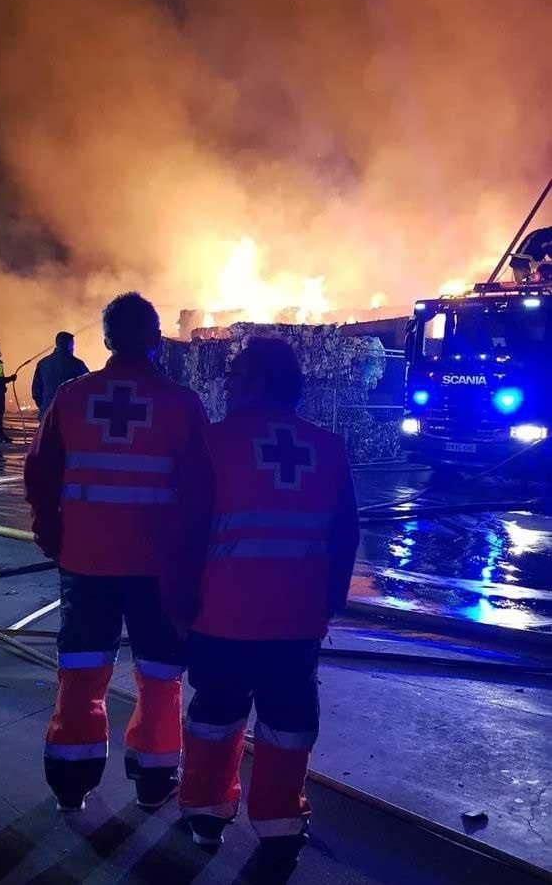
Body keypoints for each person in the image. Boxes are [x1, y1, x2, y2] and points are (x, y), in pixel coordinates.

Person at [24, 292, 212, 812]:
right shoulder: (182, 405)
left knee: (81, 670)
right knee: (159, 674)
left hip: (86, 564)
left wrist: (55, 540)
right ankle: (153, 782)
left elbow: (39, 478)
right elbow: (201, 496)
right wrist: (192, 564)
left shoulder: (70, 397)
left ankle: (70, 780)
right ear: (156, 341)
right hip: (158, 569)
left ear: (106, 340)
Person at [179, 337, 359, 869]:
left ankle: (207, 818)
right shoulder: (328, 447)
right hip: (296, 622)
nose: (228, 385)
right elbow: (345, 535)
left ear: (258, 382)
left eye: (235, 376)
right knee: (289, 721)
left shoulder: (210, 444)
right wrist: (328, 602)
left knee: (215, 716)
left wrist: (179, 607)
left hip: (221, 618)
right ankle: (280, 826)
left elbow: (183, 536)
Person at [32, 331, 89, 418]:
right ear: (69, 345)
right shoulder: (78, 364)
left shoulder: (43, 363)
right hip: (70, 415)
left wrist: (45, 407)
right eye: (72, 345)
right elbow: (88, 386)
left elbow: (36, 391)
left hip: (47, 415)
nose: (73, 348)